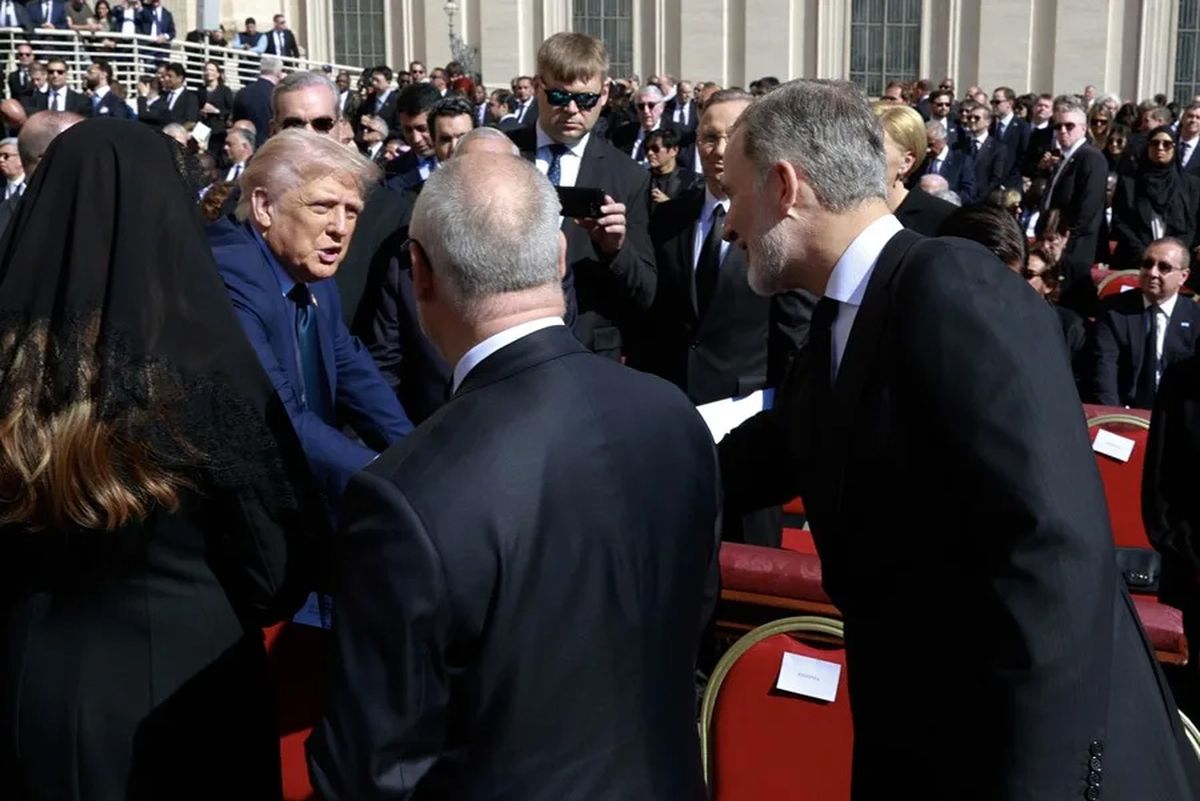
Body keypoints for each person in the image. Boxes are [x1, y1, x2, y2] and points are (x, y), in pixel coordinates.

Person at [716, 78, 1200, 800]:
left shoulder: (952, 286)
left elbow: (1052, 549)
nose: (728, 223)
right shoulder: (844, 319)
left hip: (1029, 763)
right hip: (925, 747)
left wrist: (1040, 784)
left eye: (733, 192)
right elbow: (767, 451)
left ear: (785, 186)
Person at [308, 151, 717, 801]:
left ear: (417, 272)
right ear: (560, 256)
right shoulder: (671, 415)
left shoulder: (403, 494)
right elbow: (692, 619)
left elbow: (370, 764)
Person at [0, 118, 326, 801]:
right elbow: (279, 566)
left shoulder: (12, 375)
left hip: (29, 698)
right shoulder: (204, 381)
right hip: (182, 707)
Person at [208, 129, 412, 502]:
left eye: (351, 211)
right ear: (264, 207)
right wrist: (390, 480)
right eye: (322, 207)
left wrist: (415, 456)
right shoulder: (231, 274)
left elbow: (354, 370)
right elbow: (281, 417)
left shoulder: (309, 269)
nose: (340, 228)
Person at [508, 32, 655, 359]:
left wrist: (615, 250)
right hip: (508, 341)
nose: (572, 109)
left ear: (604, 94)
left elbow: (646, 291)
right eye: (559, 96)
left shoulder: (630, 177)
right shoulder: (503, 153)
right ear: (537, 87)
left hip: (588, 351)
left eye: (585, 99)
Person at [1089, 237, 1200, 409]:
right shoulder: (1114, 311)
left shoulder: (1195, 317)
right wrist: (1115, 417)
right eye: (1147, 264)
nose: (1152, 272)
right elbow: (1105, 368)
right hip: (1124, 410)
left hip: (1176, 414)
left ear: (1183, 276)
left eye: (1164, 267)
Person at [1039, 97, 1107, 315]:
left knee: (1069, 308)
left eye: (1070, 126)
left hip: (1074, 248)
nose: (1063, 131)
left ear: (1084, 129)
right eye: (1058, 126)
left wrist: (1066, 244)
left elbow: (1088, 208)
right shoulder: (1065, 158)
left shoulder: (1091, 157)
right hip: (1054, 244)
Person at [1109, 126, 1200, 269]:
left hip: (1174, 264)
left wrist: (1171, 254)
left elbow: (1192, 224)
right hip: (1133, 260)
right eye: (1154, 143)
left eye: (1167, 144)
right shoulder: (1130, 182)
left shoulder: (1190, 185)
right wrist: (1146, 254)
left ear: (1175, 148)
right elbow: (1120, 221)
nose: (1160, 148)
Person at [876, 102, 956, 235]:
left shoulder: (945, 220)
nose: (857, 158)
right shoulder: (840, 215)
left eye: (873, 150)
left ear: (906, 162)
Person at [232, 56, 282, 148]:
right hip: (271, 147)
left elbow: (236, 123)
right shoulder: (278, 95)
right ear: (279, 73)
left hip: (247, 147)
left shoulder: (242, 93)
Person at [199, 59, 233, 155]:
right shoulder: (201, 90)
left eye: (212, 70)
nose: (208, 72)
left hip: (218, 128)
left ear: (218, 74)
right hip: (203, 128)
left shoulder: (225, 90)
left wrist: (216, 111)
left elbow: (230, 110)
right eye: (206, 70)